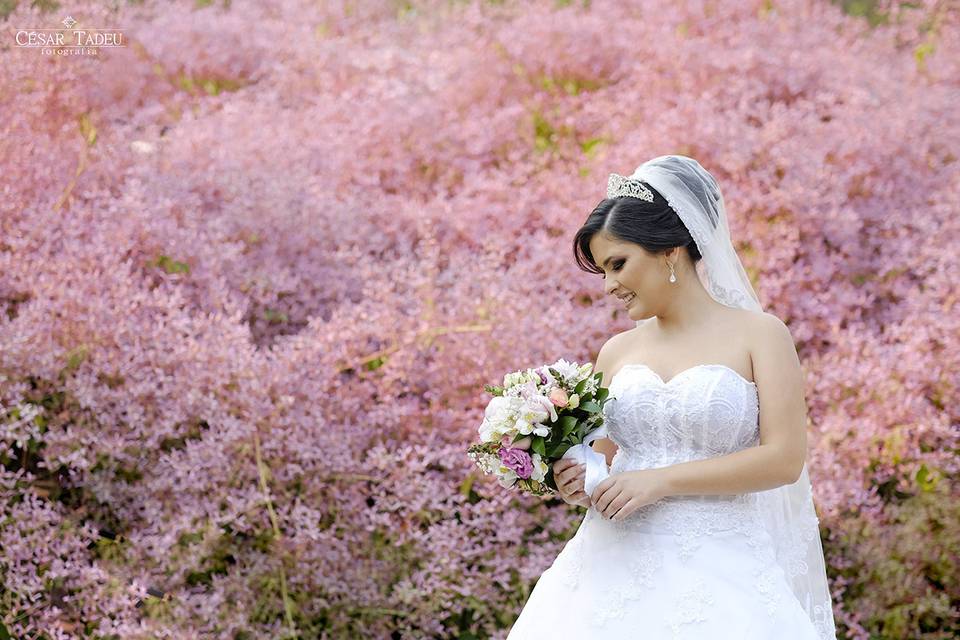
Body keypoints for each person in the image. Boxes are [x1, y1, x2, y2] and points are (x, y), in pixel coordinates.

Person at [506, 156, 837, 639]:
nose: (609, 286)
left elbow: (784, 460)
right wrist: (574, 479)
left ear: (670, 250)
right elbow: (599, 463)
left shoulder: (761, 336)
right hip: (608, 568)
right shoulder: (615, 352)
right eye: (601, 271)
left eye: (618, 264)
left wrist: (660, 481)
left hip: (724, 568)